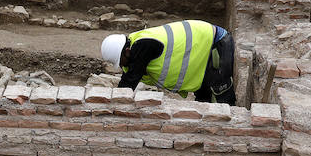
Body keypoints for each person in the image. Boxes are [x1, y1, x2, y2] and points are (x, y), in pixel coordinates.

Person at [100, 19, 235, 105]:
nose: (122, 66)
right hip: (203, 50)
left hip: (216, 42)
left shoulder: (143, 46)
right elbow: (129, 76)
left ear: (127, 51)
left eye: (121, 62)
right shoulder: (136, 43)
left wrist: (115, 104)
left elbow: (130, 80)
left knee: (221, 96)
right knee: (204, 101)